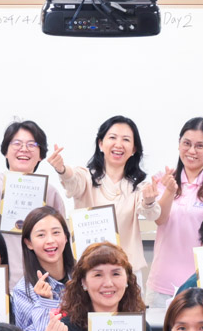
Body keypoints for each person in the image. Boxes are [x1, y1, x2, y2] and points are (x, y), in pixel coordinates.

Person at [53, 114, 157, 288]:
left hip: (126, 271)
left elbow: (151, 214)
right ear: (101, 144)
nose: (118, 144)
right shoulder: (86, 177)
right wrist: (62, 169)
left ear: (134, 149)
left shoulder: (139, 187)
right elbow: (72, 180)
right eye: (112, 137)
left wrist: (149, 200)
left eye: (126, 139)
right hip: (89, 269)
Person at [144, 117, 203, 306]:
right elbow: (160, 219)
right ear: (179, 144)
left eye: (200, 146)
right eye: (187, 143)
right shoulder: (164, 180)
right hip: (162, 283)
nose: (191, 151)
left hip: (202, 283)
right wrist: (169, 191)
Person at [0, 120, 66, 286]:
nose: (24, 149)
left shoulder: (50, 192)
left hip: (39, 284)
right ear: (5, 151)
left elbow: (62, 240)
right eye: (17, 143)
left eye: (32, 144)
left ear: (41, 155)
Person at [10, 206, 75, 331]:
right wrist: (46, 302)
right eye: (41, 235)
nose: (50, 240)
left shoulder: (83, 278)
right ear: (29, 243)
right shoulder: (23, 291)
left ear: (66, 237)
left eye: (56, 232)